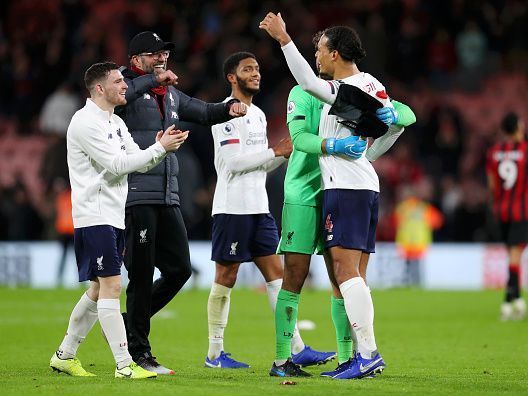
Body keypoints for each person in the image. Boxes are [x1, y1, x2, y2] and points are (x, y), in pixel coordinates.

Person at [260, 14, 407, 379]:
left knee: (344, 275)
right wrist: (368, 155)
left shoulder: (350, 88)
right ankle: (359, 356)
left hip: (344, 189)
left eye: (322, 50)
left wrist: (283, 39)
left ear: (337, 54)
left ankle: (367, 354)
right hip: (361, 186)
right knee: (350, 275)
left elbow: (308, 82)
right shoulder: (372, 84)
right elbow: (396, 124)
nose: (318, 56)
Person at [116, 31, 247, 375]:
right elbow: (122, 96)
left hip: (167, 195)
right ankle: (138, 352)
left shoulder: (170, 94)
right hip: (136, 193)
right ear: (136, 60)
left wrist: (228, 109)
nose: (162, 59)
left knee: (180, 270)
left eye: (165, 55)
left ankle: (127, 322)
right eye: (154, 54)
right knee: (141, 275)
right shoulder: (122, 86)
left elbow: (202, 111)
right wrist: (151, 79)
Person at [49, 61, 188, 379]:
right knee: (112, 285)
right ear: (99, 88)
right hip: (94, 214)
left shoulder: (114, 122)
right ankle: (125, 365)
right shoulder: (85, 123)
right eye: (117, 81)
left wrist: (159, 147)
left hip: (113, 214)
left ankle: (65, 355)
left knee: (99, 289)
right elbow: (116, 165)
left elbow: (137, 160)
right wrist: (158, 148)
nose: (125, 85)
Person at [205, 51, 334, 370]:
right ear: (232, 78)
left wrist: (282, 156)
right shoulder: (225, 113)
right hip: (231, 208)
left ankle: (297, 347)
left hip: (258, 209)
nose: (256, 73)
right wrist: (274, 150)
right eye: (248, 69)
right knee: (226, 275)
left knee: (276, 276)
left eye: (258, 68)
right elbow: (233, 165)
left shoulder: (259, 115)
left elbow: (259, 167)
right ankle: (214, 353)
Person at [486, 112, 528, 321]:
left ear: (503, 131)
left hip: (501, 211)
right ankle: (507, 302)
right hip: (523, 210)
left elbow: (492, 186)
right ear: (520, 128)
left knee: (513, 255)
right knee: (515, 255)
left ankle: (518, 301)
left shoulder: (493, 152)